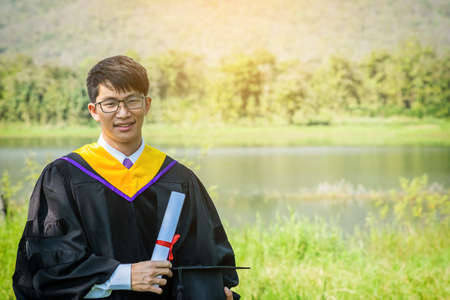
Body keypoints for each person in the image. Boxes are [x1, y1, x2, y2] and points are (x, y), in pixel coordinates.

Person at [13, 55, 239, 299]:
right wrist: (122, 275)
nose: (123, 113)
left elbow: (206, 259)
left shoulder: (179, 178)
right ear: (94, 111)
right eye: (110, 103)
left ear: (147, 104)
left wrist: (215, 292)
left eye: (132, 101)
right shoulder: (63, 177)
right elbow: (49, 268)